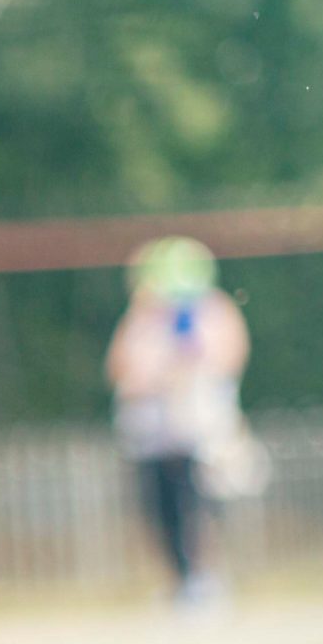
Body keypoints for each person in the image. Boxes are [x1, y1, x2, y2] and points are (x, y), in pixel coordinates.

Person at [105, 237, 250, 605]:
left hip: (199, 429)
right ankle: (181, 581)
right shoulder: (140, 318)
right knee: (161, 509)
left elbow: (229, 358)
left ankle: (207, 579)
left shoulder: (213, 311)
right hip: (152, 432)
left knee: (199, 505)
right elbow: (120, 370)